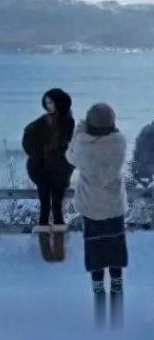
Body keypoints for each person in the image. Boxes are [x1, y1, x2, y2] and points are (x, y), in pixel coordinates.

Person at [65, 103, 127, 327]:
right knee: (115, 245)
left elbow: (70, 157)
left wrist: (78, 133)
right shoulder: (119, 143)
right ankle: (117, 286)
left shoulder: (83, 146)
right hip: (114, 205)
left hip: (91, 206)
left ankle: (98, 290)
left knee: (95, 247)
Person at [22, 88, 75, 261]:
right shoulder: (43, 122)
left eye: (51, 103)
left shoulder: (67, 123)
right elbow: (28, 138)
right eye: (46, 103)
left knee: (57, 206)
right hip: (43, 170)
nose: (48, 106)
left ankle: (59, 249)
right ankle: (45, 249)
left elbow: (68, 146)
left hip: (59, 170)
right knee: (45, 205)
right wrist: (38, 154)